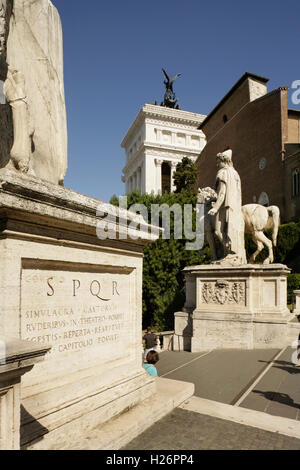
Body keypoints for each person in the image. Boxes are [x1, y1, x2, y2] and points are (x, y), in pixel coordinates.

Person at [208, 149, 246, 265]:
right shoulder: (235, 173)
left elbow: (222, 192)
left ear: (224, 160)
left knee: (218, 230)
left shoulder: (223, 172)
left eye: (218, 161)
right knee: (231, 229)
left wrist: (215, 207)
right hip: (235, 206)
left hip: (225, 205)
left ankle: (230, 253)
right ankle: (232, 253)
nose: (217, 164)